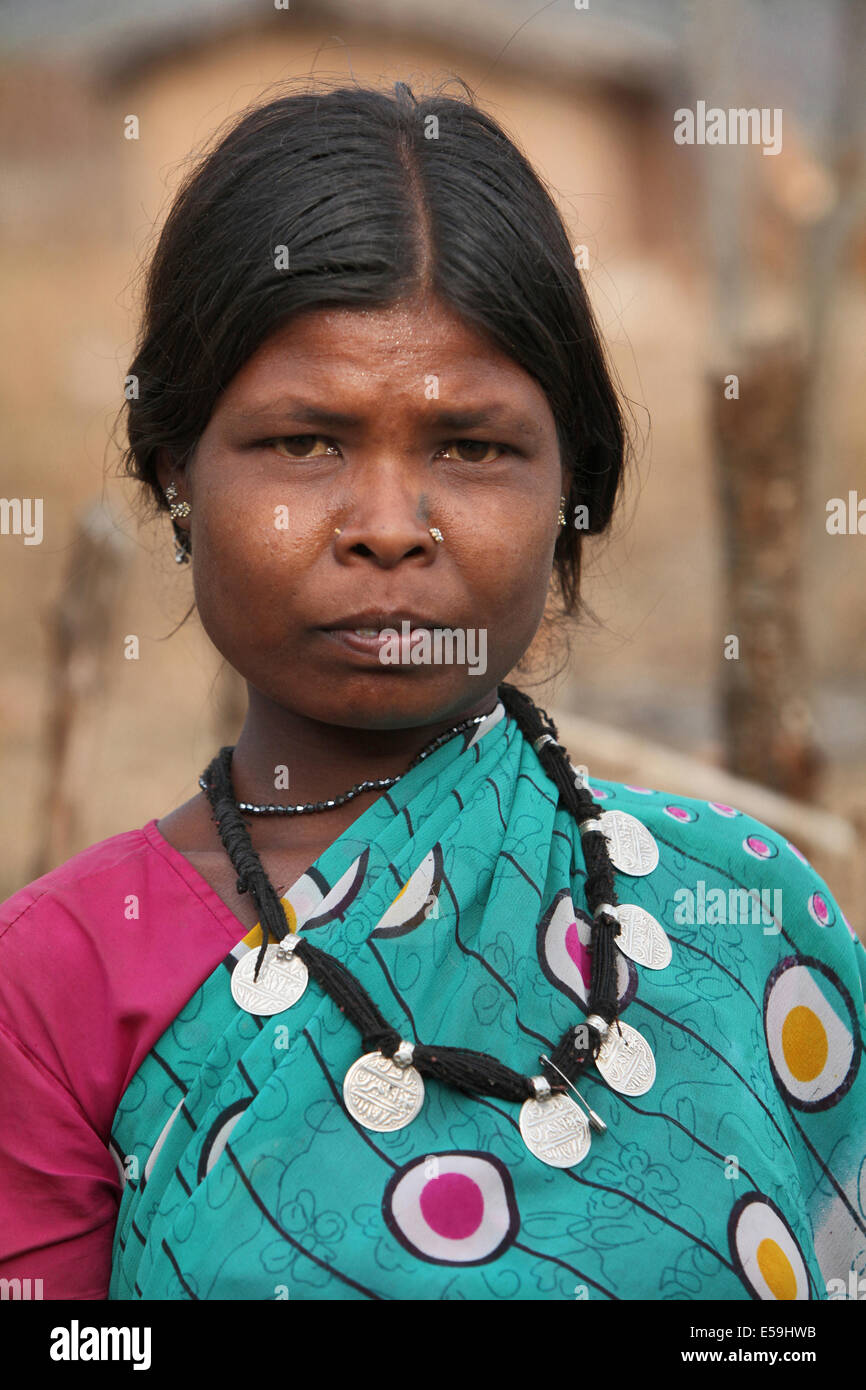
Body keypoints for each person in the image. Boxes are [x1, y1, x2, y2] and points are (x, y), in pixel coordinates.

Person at [1, 79, 863, 1303]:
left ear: (576, 492)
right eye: (304, 441)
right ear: (172, 474)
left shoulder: (745, 914)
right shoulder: (61, 982)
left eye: (471, 447)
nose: (389, 528)